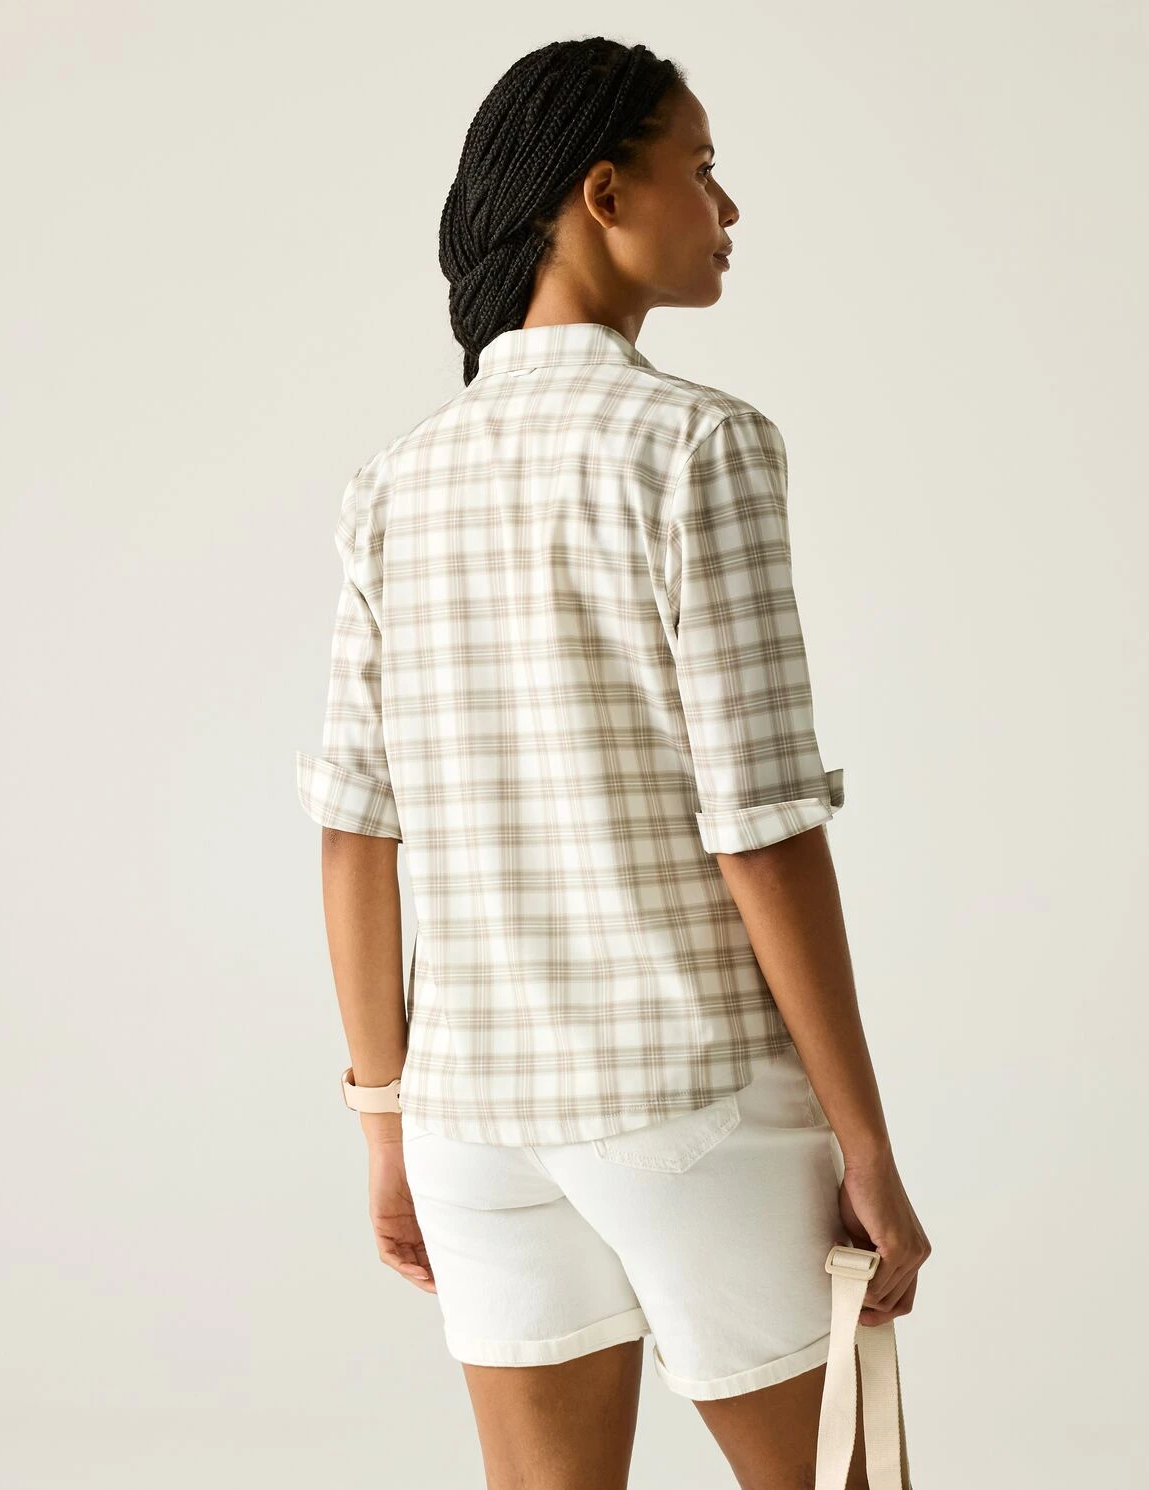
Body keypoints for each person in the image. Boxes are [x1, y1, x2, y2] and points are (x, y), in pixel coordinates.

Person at [295, 35, 931, 1490]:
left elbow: (353, 833)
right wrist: (865, 1143)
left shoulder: (395, 483)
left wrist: (388, 1131)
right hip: (690, 1103)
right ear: (601, 191)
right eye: (700, 167)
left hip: (471, 1125)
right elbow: (759, 825)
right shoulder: (697, 447)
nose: (727, 205)